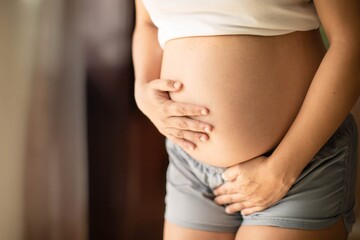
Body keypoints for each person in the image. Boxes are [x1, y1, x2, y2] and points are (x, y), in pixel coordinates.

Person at [132, 0, 360, 239]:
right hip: (191, 166)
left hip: (298, 164)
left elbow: (352, 42)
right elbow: (147, 24)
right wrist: (142, 92)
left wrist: (281, 171)